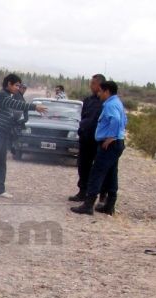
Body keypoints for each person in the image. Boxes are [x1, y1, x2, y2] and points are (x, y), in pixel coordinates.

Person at [0, 74, 47, 198]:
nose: (18, 88)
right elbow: (15, 104)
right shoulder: (1, 95)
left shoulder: (10, 96)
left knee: (1, 161)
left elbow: (15, 113)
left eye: (19, 86)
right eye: (16, 85)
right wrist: (34, 107)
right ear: (9, 84)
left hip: (3, 133)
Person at [71, 80, 127, 216]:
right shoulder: (117, 103)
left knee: (97, 172)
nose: (99, 93)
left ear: (107, 91)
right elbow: (124, 120)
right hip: (117, 143)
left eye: (101, 91)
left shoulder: (110, 105)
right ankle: (109, 205)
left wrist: (111, 136)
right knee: (112, 173)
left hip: (110, 144)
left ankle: (88, 205)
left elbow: (116, 120)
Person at [69, 74, 107, 202]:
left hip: (98, 140)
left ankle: (101, 195)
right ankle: (82, 191)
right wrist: (81, 130)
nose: (91, 86)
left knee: (100, 168)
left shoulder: (105, 102)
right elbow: (83, 117)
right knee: (83, 165)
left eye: (93, 84)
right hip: (85, 139)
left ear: (100, 85)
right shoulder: (88, 100)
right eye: (91, 83)